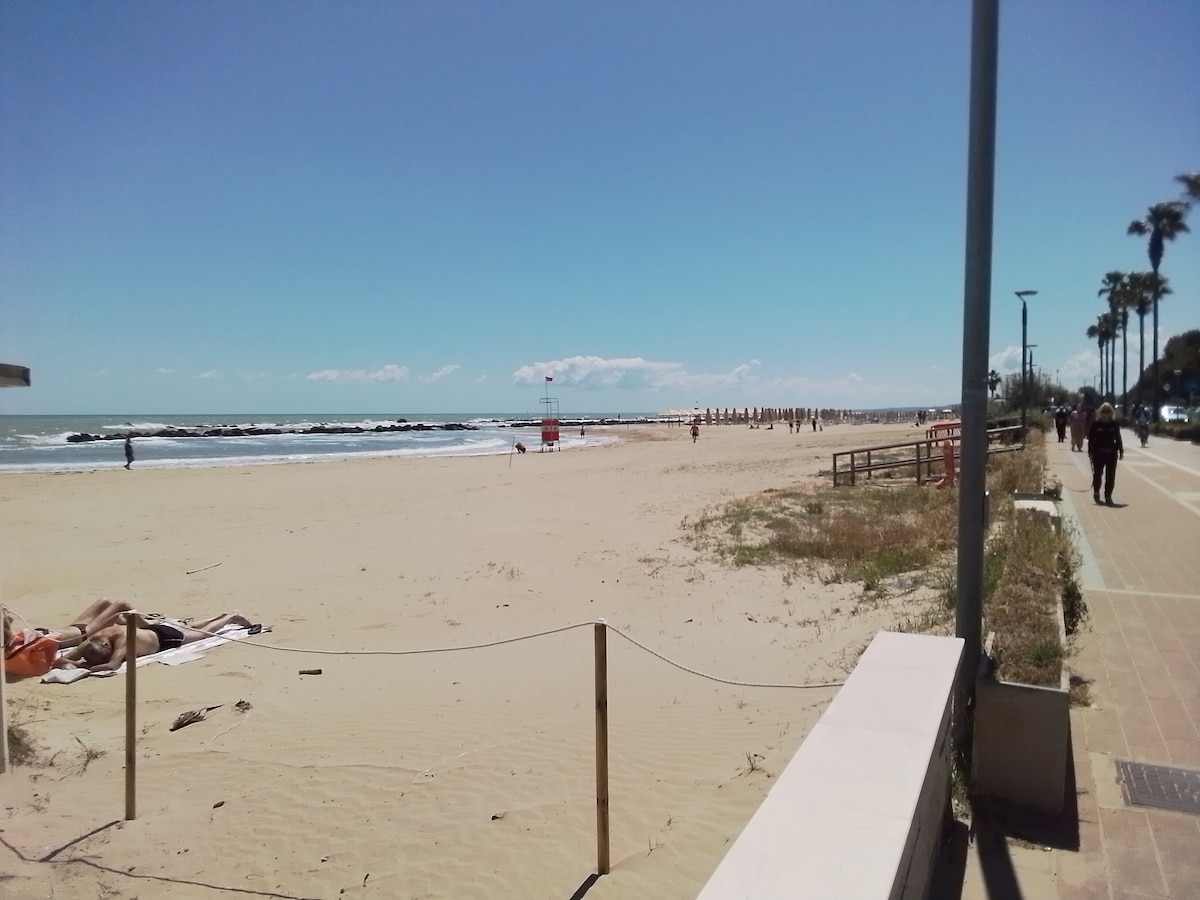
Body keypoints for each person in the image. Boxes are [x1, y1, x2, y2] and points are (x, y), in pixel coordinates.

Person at [58, 611, 253, 672]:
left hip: (164, 638)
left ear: (107, 646)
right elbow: (61, 659)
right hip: (150, 631)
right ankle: (219, 616)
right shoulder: (92, 642)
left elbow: (113, 665)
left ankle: (230, 619)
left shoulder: (122, 639)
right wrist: (73, 661)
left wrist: (84, 667)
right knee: (189, 628)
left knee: (202, 635)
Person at [3, 597, 135, 650]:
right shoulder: (13, 643)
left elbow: (8, 625)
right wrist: (5, 617)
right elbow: (7, 628)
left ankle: (130, 623)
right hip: (84, 634)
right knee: (121, 604)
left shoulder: (17, 638)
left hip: (75, 627)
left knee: (105, 602)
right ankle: (145, 624)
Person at [1087, 402, 1124, 505]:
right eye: (1103, 411)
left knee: (1110, 475)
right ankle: (1096, 492)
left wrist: (1121, 450)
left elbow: (1118, 438)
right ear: (1100, 412)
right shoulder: (1096, 424)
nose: (1105, 414)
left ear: (1111, 412)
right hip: (1098, 453)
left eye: (1108, 411)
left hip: (1111, 453)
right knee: (1098, 474)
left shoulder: (1114, 424)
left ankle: (1108, 495)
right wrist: (1090, 451)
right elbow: (1091, 439)